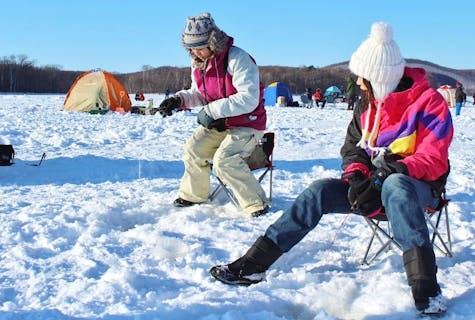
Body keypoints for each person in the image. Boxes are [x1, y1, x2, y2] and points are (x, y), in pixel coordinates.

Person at [209, 22, 454, 315]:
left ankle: (427, 290)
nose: (359, 85)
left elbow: (434, 159)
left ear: (381, 79)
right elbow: (352, 148)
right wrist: (356, 174)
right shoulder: (366, 105)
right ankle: (253, 265)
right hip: (373, 187)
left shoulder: (429, 104)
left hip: (418, 190)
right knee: (319, 191)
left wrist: (389, 170)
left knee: (396, 185)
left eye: (363, 79)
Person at [157, 12, 269, 217]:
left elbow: (249, 99)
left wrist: (212, 110)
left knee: (224, 160)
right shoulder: (199, 63)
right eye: (191, 48)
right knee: (193, 148)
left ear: (213, 42)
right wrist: (179, 100)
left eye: (200, 47)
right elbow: (200, 94)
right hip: (220, 124)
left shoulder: (238, 59)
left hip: (248, 124)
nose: (195, 53)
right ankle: (194, 195)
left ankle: (256, 202)